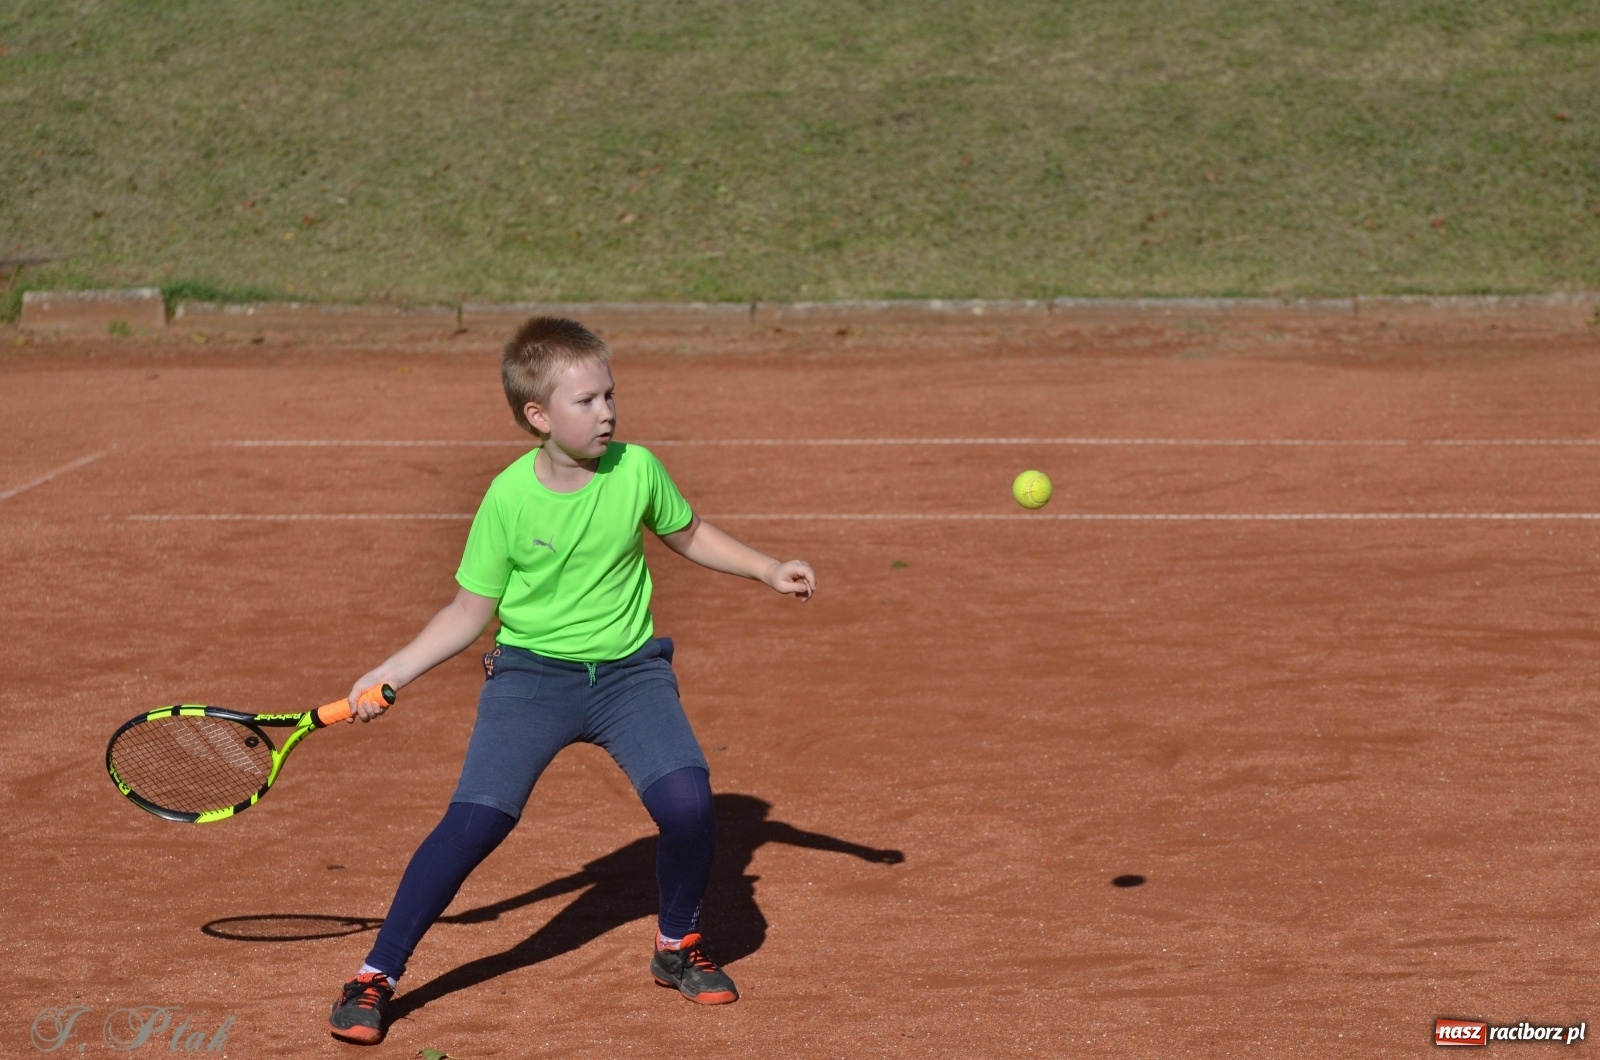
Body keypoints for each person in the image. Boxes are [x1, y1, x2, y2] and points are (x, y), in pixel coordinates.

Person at [327, 316, 817, 1044]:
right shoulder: (508, 498)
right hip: (531, 677)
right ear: (539, 416)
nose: (607, 412)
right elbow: (467, 612)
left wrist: (766, 568)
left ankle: (676, 944)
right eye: (586, 401)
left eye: (610, 395)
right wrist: (391, 671)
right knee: (476, 822)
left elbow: (686, 532)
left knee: (689, 803)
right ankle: (376, 975)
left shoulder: (636, 469)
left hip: (630, 676)